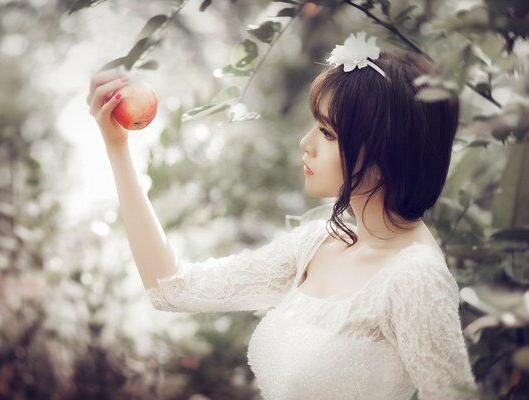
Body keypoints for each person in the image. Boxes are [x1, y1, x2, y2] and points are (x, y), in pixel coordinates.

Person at [86, 31, 478, 400]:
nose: (305, 143)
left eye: (327, 133)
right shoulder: (319, 243)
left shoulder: (415, 279)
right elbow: (172, 289)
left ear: (385, 152)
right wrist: (117, 146)